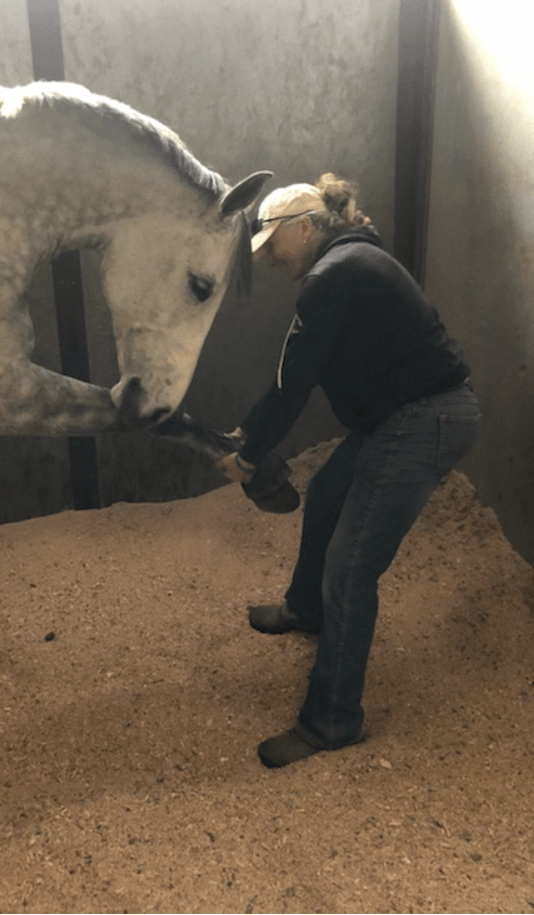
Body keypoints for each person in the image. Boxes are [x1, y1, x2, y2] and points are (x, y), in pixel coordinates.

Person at [218, 174, 481, 769]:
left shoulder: (332, 277)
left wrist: (250, 453)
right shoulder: (350, 263)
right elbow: (294, 371)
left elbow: (293, 380)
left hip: (426, 416)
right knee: (325, 493)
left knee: (351, 567)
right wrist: (250, 432)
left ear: (303, 229)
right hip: (400, 414)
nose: (269, 260)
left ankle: (333, 721)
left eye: (272, 245)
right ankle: (305, 609)